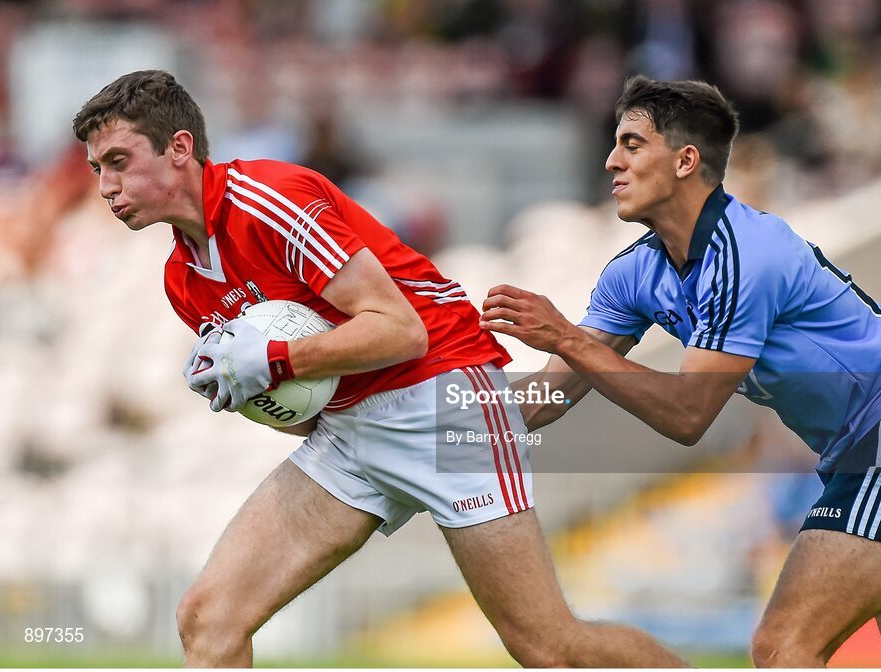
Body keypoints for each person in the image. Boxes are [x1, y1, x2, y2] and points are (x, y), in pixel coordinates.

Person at [72, 70, 687, 668]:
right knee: (208, 618)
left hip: (445, 401)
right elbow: (299, 408)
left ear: (180, 149)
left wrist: (276, 360)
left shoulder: (269, 200)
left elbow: (400, 330)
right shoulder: (182, 280)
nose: (105, 186)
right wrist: (253, 393)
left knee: (551, 649)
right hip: (347, 430)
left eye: (120, 161)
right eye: (98, 168)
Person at [483, 75, 881, 668]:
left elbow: (687, 415)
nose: (610, 162)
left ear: (685, 160)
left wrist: (568, 338)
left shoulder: (745, 250)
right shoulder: (634, 273)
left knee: (782, 648)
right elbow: (548, 396)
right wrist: (439, 422)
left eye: (630, 144)